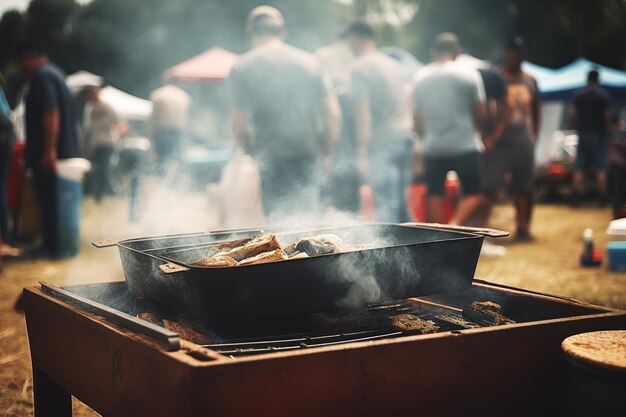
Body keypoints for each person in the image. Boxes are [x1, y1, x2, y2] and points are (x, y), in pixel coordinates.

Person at [229, 5, 341, 218]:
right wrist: (326, 154)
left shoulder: (243, 66)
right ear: (282, 32)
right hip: (308, 155)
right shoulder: (311, 63)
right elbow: (332, 114)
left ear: (251, 32)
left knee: (279, 227)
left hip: (270, 158)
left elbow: (239, 122)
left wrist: (249, 153)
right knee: (311, 224)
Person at [412, 33, 487, 225]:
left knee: (435, 193)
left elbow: (418, 119)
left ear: (434, 51)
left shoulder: (421, 76)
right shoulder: (469, 74)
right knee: (475, 193)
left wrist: (426, 137)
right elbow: (480, 112)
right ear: (457, 51)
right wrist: (480, 133)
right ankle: (454, 224)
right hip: (466, 145)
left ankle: (439, 235)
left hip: (434, 146)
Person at [345, 21, 415, 222]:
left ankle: (393, 253)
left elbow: (362, 113)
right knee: (400, 204)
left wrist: (361, 152)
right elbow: (408, 100)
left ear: (355, 37)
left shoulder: (359, 68)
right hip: (404, 137)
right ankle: (416, 250)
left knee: (386, 206)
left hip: (383, 141)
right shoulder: (393, 64)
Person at [17, 41, 79, 257]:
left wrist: (49, 150)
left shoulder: (42, 76)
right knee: (55, 200)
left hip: (50, 153)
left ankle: (51, 248)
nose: (21, 65)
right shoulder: (56, 73)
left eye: (23, 59)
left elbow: (50, 111)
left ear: (33, 56)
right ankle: (54, 245)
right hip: (60, 150)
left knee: (49, 199)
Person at [488, 37, 541, 241]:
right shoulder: (498, 77)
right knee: (492, 185)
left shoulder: (530, 79)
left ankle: (523, 227)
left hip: (522, 139)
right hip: (501, 139)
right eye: (513, 53)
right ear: (507, 53)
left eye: (520, 54)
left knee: (524, 186)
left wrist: (535, 132)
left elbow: (537, 108)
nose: (516, 57)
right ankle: (485, 227)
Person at [569, 70, 612, 205]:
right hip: (599, 135)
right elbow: (607, 117)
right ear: (598, 80)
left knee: (580, 167)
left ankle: (575, 196)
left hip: (583, 133)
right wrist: (608, 132)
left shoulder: (579, 95)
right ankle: (602, 197)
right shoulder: (602, 96)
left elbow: (572, 114)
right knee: (601, 167)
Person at [84, 86, 120, 201]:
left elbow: (116, 120)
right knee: (98, 170)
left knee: (103, 169)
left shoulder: (104, 107)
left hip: (106, 142)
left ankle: (109, 194)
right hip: (99, 143)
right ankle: (98, 195)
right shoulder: (92, 109)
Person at [149, 81, 190, 172]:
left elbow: (153, 117)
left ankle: (161, 179)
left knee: (161, 159)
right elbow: (186, 118)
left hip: (161, 131)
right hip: (177, 132)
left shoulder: (158, 95)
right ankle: (178, 179)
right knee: (177, 159)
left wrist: (151, 134)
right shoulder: (183, 96)